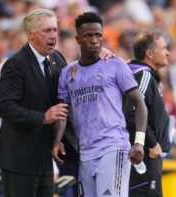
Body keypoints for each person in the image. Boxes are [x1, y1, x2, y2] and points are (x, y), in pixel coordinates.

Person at [0, 9, 112, 197]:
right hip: (19, 157)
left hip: (45, 155)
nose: (53, 36)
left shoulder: (56, 58)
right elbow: (4, 107)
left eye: (55, 30)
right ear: (30, 34)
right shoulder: (16, 64)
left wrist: (97, 59)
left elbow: (74, 83)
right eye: (46, 31)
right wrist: (43, 117)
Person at [52, 12, 147, 197]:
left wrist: (139, 142)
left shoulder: (115, 65)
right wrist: (57, 140)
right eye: (88, 36)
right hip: (86, 152)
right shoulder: (67, 73)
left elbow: (140, 102)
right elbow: (62, 111)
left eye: (98, 35)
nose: (94, 40)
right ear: (78, 39)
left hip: (114, 147)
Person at [122, 29, 171, 197]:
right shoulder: (143, 75)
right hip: (142, 158)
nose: (168, 53)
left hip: (148, 158)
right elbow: (131, 112)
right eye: (164, 48)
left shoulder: (147, 76)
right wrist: (151, 142)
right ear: (149, 54)